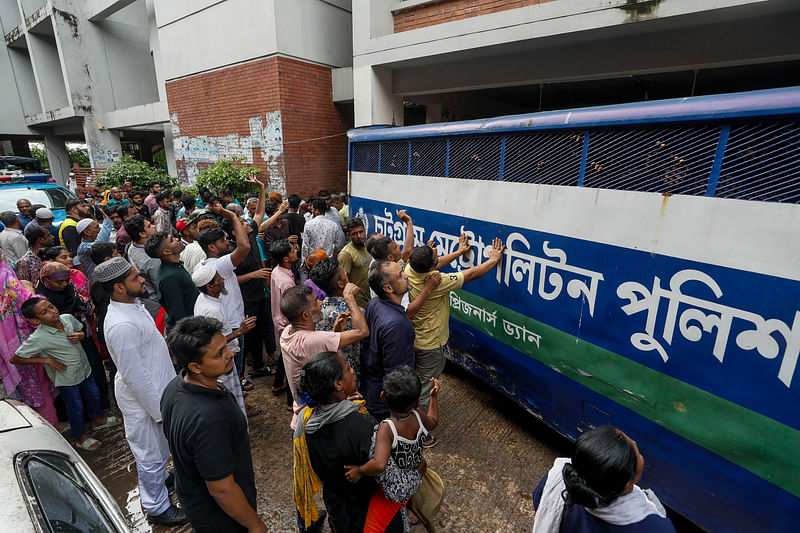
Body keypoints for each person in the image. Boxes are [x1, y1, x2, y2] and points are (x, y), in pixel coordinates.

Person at [97, 257, 186, 526]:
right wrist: (160, 411)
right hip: (144, 400)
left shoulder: (133, 306)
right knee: (149, 454)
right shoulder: (121, 325)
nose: (143, 279)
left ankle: (160, 481)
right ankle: (156, 506)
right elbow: (135, 376)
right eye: (136, 278)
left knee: (160, 449)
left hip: (158, 390)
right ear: (119, 287)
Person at [162, 316, 267, 533]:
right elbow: (222, 489)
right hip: (221, 517)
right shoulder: (208, 418)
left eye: (225, 347)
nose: (230, 354)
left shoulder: (175, 385)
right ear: (195, 366)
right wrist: (254, 524)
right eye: (219, 354)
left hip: (196, 501)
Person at [294, 351, 402, 533]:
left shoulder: (305, 421)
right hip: (368, 513)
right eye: (347, 369)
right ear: (338, 384)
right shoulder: (362, 425)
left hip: (337, 509)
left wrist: (346, 404)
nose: (352, 370)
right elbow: (388, 472)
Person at [406, 237, 505, 426]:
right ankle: (420, 432)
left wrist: (459, 252)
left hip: (415, 340)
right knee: (426, 389)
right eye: (436, 256)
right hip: (431, 345)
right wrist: (493, 260)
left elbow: (437, 263)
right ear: (431, 268)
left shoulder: (410, 270)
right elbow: (470, 274)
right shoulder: (437, 282)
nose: (439, 255)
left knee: (416, 382)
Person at [11, 297, 121, 450]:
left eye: (51, 306)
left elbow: (80, 329)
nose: (52, 312)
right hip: (67, 379)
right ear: (36, 320)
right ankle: (80, 437)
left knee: (94, 395)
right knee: (75, 407)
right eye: (44, 312)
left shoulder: (67, 318)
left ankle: (97, 420)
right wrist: (47, 361)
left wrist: (81, 335)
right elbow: (16, 358)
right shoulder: (38, 338)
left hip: (84, 370)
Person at [344, 366, 440, 532]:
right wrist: (433, 398)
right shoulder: (418, 415)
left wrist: (359, 471)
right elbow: (433, 421)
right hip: (416, 474)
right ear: (416, 403)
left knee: (372, 529)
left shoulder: (388, 428)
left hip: (394, 490)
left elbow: (379, 464)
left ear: (383, 397)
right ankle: (404, 512)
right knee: (401, 505)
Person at [532, 425, 675, 533]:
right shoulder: (656, 527)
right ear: (628, 485)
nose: (634, 442)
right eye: (637, 454)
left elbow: (539, 502)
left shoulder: (556, 482)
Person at [361, 260, 441, 421]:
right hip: (386, 404)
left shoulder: (374, 303)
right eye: (400, 275)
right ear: (388, 288)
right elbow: (396, 375)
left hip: (371, 388)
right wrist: (407, 409)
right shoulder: (396, 325)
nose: (406, 275)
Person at [279, 283, 368, 429]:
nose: (320, 303)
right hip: (320, 420)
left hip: (303, 415)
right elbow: (362, 332)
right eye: (315, 302)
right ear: (306, 315)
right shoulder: (312, 340)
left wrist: (335, 333)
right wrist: (349, 298)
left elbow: (316, 354)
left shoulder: (287, 332)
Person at [37, 261, 109, 411]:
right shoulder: (41, 301)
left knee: (92, 371)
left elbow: (88, 305)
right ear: (46, 281)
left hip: (82, 336)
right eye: (59, 282)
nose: (64, 285)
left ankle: (98, 410)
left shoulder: (70, 290)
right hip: (62, 344)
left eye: (67, 280)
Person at [0, 248, 59, 426]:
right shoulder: (4, 275)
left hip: (6, 343)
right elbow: (27, 306)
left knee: (27, 387)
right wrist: (29, 289)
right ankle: (50, 424)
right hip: (20, 338)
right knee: (37, 384)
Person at [191, 264, 257, 418]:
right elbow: (213, 341)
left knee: (232, 387)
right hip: (219, 358)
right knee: (228, 390)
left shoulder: (206, 298)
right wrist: (240, 332)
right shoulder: (211, 309)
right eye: (219, 279)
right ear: (210, 286)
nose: (223, 281)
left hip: (222, 353)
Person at [197, 204, 251, 389]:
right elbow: (244, 247)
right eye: (222, 241)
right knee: (233, 370)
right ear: (212, 247)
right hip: (232, 325)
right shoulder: (219, 265)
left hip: (226, 324)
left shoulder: (202, 265)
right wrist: (234, 218)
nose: (227, 242)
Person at [308, 257, 362, 383]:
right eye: (344, 274)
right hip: (349, 374)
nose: (347, 275)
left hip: (325, 373)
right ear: (341, 284)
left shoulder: (315, 313)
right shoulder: (356, 313)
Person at [145, 231, 198, 333]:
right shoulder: (170, 277)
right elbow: (178, 314)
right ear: (167, 252)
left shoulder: (175, 267)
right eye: (172, 240)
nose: (177, 239)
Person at [123, 214, 161, 318]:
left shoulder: (131, 246)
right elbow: (161, 286)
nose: (153, 226)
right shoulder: (150, 259)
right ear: (142, 234)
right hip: (157, 304)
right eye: (149, 226)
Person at [338, 218, 372, 308]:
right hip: (358, 303)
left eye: (361, 232)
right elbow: (343, 281)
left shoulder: (368, 246)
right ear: (349, 235)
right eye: (354, 234)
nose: (359, 236)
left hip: (370, 298)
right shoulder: (346, 254)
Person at [301, 198, 345, 263]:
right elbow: (338, 245)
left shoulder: (308, 224)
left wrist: (303, 262)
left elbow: (305, 246)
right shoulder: (333, 225)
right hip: (328, 261)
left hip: (313, 261)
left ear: (317, 211)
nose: (311, 211)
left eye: (312, 209)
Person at [75, 213, 114, 280]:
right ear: (87, 232)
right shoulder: (83, 247)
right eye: (97, 227)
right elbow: (99, 245)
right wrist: (107, 223)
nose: (100, 229)